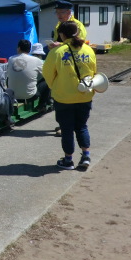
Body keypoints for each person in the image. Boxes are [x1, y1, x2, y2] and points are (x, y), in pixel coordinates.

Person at [42, 21, 97, 171]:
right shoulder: (88, 50)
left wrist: (56, 86)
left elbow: (47, 73)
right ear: (77, 33)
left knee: (66, 129)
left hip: (63, 97)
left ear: (61, 34)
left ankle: (68, 160)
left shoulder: (57, 52)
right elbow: (93, 71)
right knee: (82, 126)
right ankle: (86, 156)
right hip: (85, 95)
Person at [6, 40, 51, 112]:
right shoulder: (37, 60)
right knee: (47, 82)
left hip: (13, 96)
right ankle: (42, 106)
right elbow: (48, 75)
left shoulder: (11, 59)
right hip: (30, 96)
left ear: (19, 48)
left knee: (9, 78)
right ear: (29, 50)